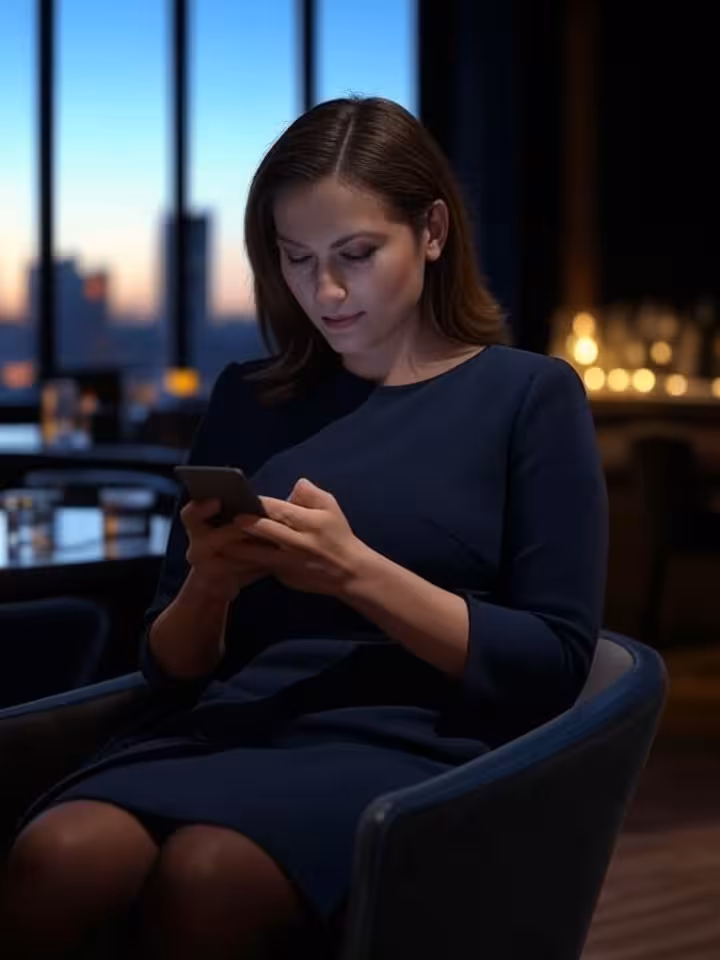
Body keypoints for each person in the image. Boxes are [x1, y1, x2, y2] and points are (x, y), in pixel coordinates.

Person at [0, 96, 608, 960]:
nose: (325, 291)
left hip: (414, 744)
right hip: (228, 726)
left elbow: (554, 660)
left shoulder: (527, 398)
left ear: (432, 231)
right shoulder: (251, 399)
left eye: (356, 256)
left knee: (211, 874)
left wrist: (356, 570)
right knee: (60, 855)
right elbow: (170, 671)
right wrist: (209, 581)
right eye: (297, 259)